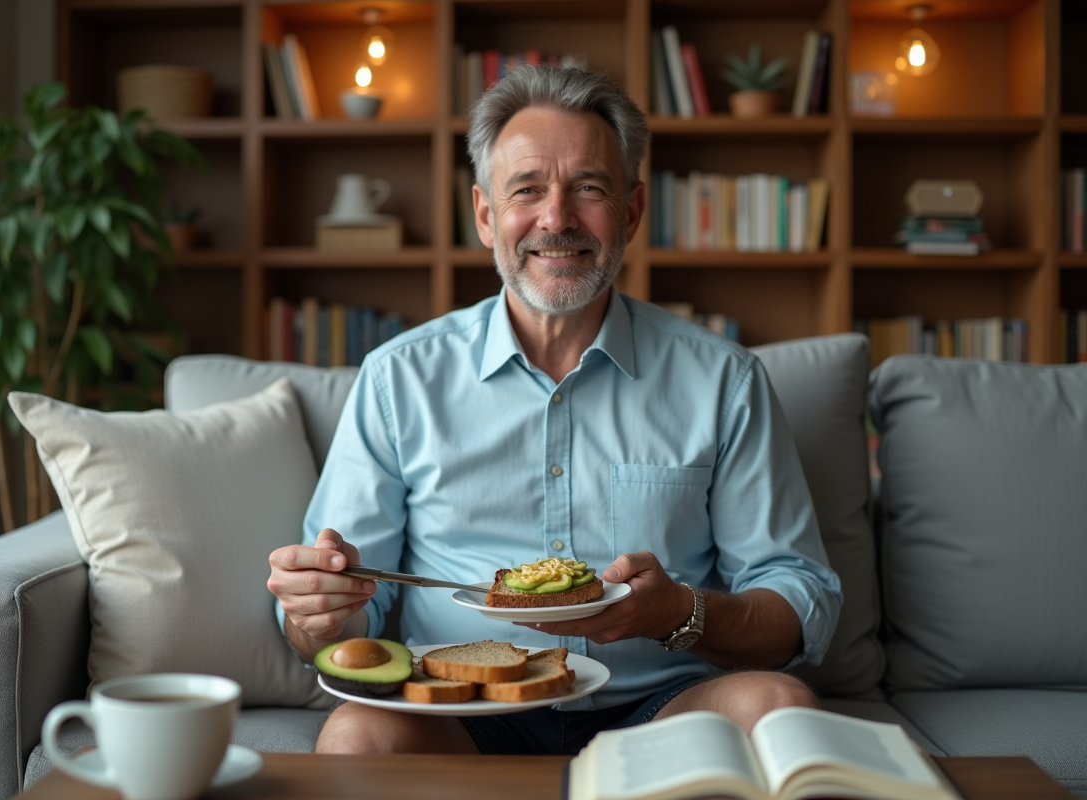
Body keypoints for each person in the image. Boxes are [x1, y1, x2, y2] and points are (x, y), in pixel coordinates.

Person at [267, 64, 842, 756]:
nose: (557, 218)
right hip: (460, 707)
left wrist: (678, 614)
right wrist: (318, 613)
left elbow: (798, 599)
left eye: (589, 189)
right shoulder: (399, 380)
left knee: (779, 706)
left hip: (660, 706)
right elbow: (336, 624)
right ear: (485, 215)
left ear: (628, 212)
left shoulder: (725, 379)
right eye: (527, 190)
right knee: (357, 738)